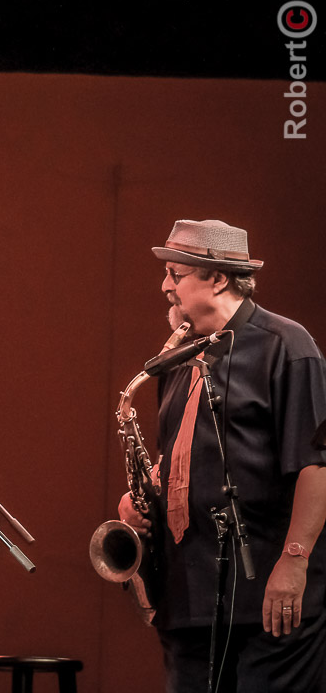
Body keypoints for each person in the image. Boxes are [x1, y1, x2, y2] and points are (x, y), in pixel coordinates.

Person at [117, 218, 326, 692]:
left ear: (217, 277)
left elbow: (317, 465)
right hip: (188, 599)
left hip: (269, 602)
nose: (164, 286)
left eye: (176, 273)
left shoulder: (287, 347)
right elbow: (176, 457)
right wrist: (142, 496)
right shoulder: (176, 359)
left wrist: (294, 563)